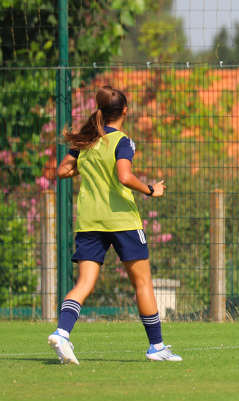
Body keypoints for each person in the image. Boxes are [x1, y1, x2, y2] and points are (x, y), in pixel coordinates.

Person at [48, 85, 181, 363]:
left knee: (85, 283)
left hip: (89, 220)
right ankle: (156, 347)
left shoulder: (85, 140)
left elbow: (61, 170)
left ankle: (62, 332)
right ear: (125, 111)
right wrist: (149, 189)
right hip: (121, 220)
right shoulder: (123, 141)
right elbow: (124, 176)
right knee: (143, 283)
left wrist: (85, 168)